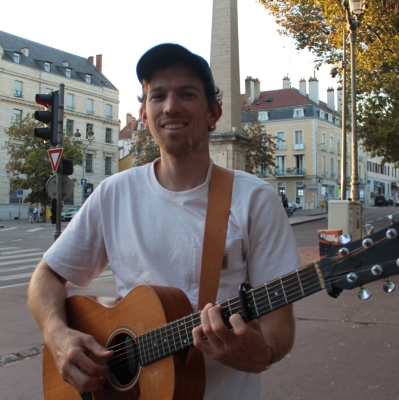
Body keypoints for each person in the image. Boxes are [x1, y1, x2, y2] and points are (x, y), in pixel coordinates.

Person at [28, 43, 301, 400]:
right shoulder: (115, 193)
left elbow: (279, 326)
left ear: (214, 113)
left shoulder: (253, 199)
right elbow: (45, 276)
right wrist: (57, 334)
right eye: (158, 96)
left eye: (186, 94)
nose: (170, 106)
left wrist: (260, 354)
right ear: (144, 115)